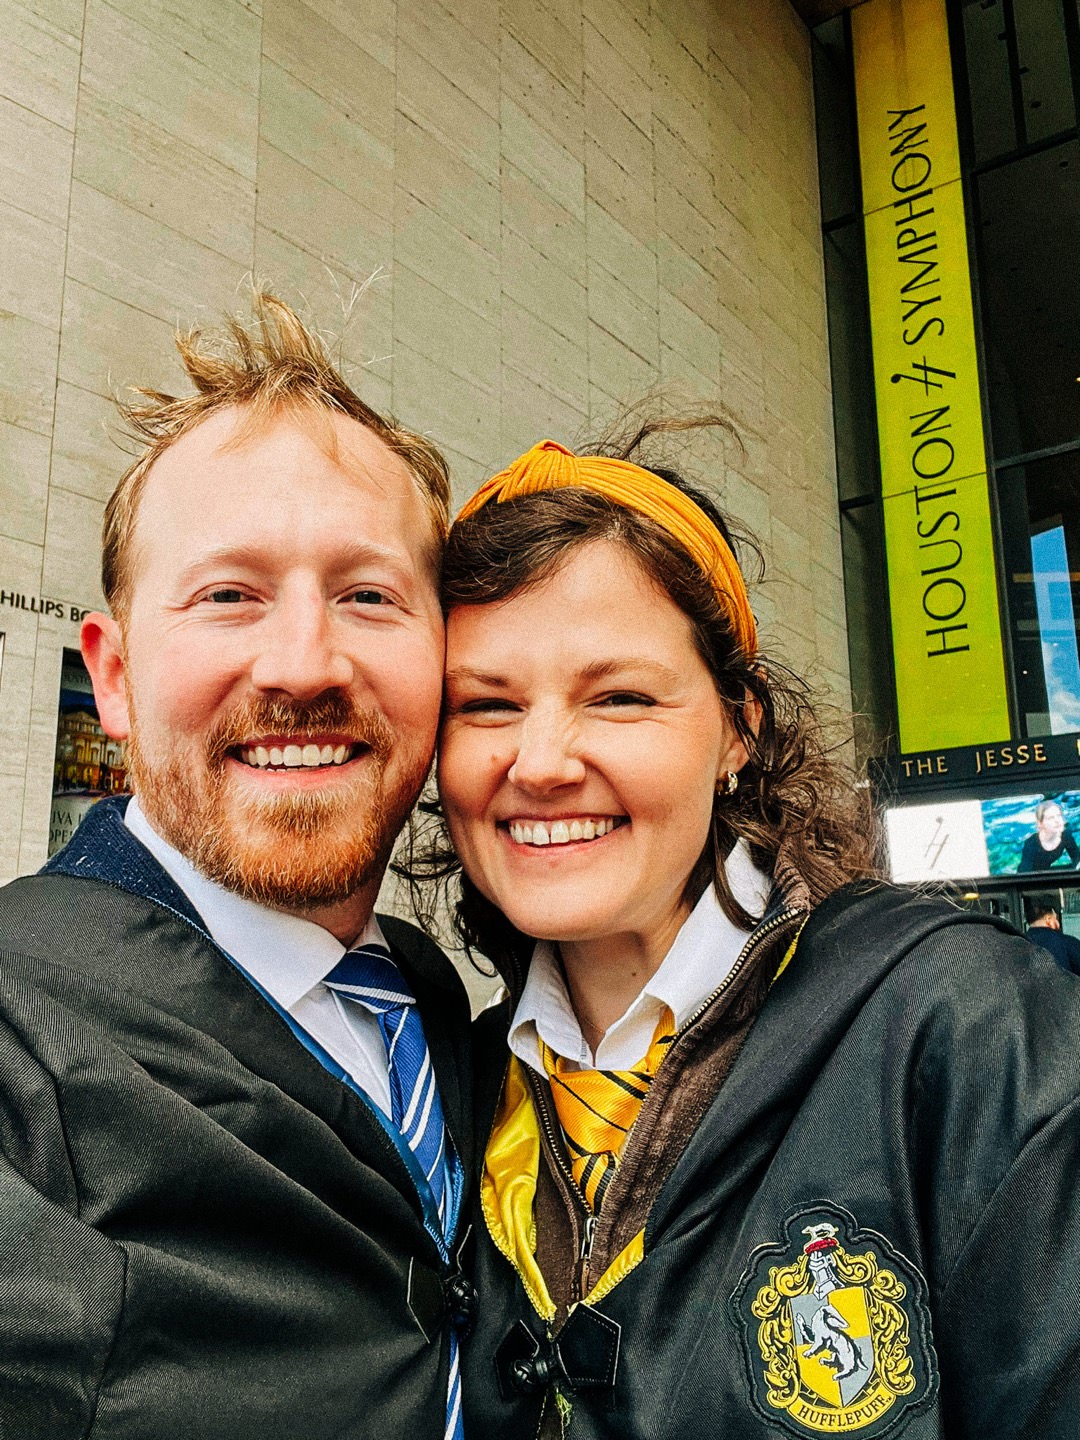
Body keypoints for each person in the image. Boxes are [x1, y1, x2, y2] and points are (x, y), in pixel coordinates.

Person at [417, 430, 1080, 1437]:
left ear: (739, 728)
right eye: (486, 704)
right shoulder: (446, 1096)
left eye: (620, 697)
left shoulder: (972, 1035)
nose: (541, 762)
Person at [0, 295, 475, 1440]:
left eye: (369, 596)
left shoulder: (432, 998)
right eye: (228, 595)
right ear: (114, 678)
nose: (304, 664)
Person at [1016, 799, 1080, 872]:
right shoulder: (1031, 843)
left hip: (1047, 870)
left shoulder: (1065, 835)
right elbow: (1025, 872)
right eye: (1051, 818)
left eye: (1059, 816)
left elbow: (1077, 858)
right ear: (1041, 824)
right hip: (1031, 873)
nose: (1057, 820)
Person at [1024, 897, 1080, 975]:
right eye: (1056, 918)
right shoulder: (1068, 943)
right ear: (1048, 918)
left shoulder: (1020, 943)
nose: (1058, 923)